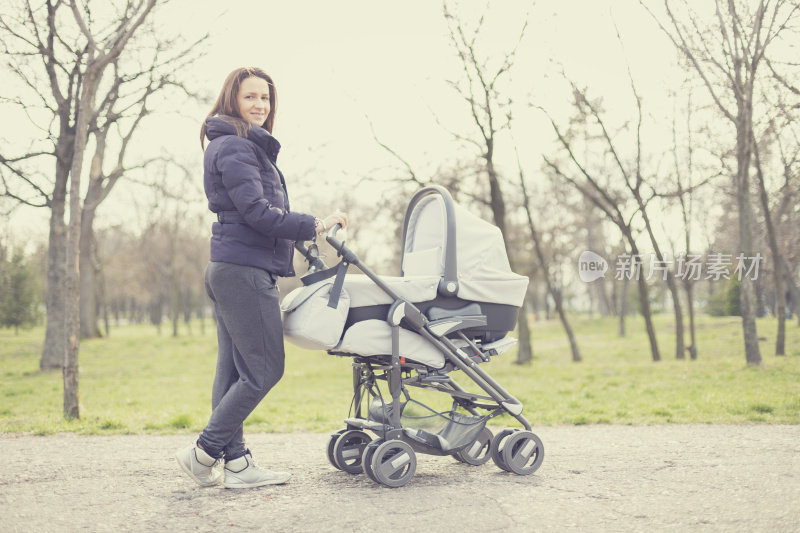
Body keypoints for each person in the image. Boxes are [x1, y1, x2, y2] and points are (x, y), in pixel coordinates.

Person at [176, 67, 347, 489]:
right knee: (265, 368)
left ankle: (236, 466)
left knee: (234, 372)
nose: (259, 105)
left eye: (265, 99)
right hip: (244, 272)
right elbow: (258, 213)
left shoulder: (235, 145)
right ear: (232, 99)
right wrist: (315, 225)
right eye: (250, 97)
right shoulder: (235, 147)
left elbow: (253, 210)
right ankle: (203, 452)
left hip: (231, 267)